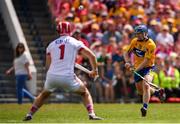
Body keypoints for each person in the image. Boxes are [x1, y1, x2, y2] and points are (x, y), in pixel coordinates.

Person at [23, 21, 103, 121]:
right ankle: (91, 114)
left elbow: (47, 66)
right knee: (84, 93)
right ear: (70, 30)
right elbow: (92, 56)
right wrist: (94, 70)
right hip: (67, 77)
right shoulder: (75, 42)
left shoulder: (51, 45)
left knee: (43, 95)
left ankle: (30, 114)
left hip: (52, 76)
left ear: (58, 31)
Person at [123, 25, 166, 117]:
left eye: (140, 33)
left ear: (145, 33)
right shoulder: (134, 41)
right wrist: (127, 62)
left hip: (148, 67)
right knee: (141, 91)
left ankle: (144, 107)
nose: (138, 35)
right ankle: (157, 92)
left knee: (146, 85)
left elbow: (146, 61)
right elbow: (126, 52)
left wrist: (135, 69)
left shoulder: (151, 44)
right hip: (137, 67)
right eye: (137, 34)